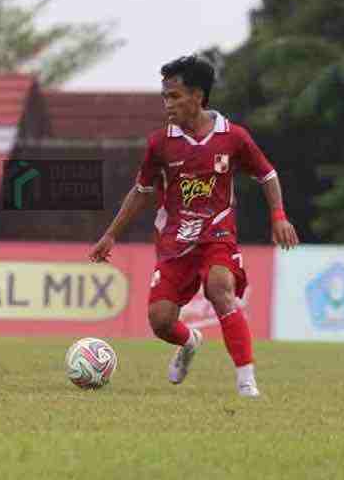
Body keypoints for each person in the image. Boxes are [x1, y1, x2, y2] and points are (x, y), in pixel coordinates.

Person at [90, 54, 298, 397]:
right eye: (164, 97)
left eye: (174, 96)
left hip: (217, 233)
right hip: (174, 241)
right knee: (160, 321)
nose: (167, 104)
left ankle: (246, 380)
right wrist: (111, 234)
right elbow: (141, 191)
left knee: (219, 288)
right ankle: (189, 342)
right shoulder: (160, 143)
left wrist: (278, 216)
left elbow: (267, 174)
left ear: (198, 96)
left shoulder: (233, 137)